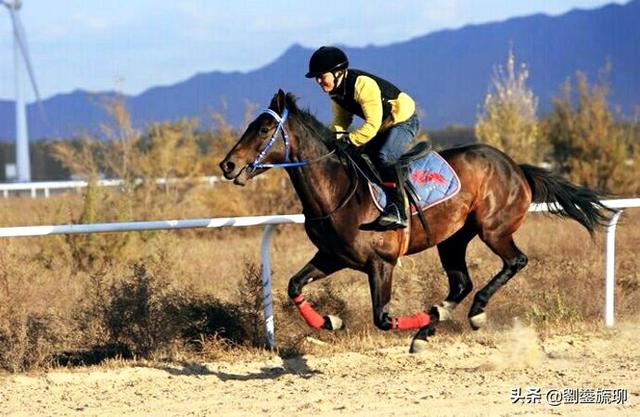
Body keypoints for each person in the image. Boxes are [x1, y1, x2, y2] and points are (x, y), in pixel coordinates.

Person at [305, 46, 421, 230]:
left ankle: (398, 210)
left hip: (404, 120)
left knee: (384, 156)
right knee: (357, 157)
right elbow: (340, 120)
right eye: (316, 78)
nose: (318, 81)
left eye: (321, 76)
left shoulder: (363, 85)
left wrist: (349, 140)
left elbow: (372, 125)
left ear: (337, 73)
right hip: (384, 126)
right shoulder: (336, 92)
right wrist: (334, 141)